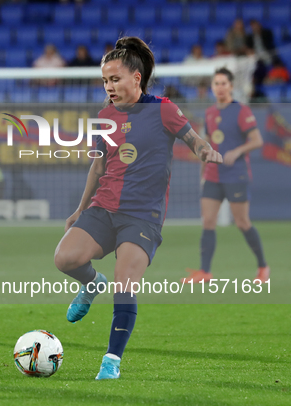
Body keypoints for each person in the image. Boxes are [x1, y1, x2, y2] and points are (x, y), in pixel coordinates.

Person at [53, 37, 223, 380]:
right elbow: (98, 168)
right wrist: (79, 209)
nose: (109, 87)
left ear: (136, 78)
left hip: (142, 215)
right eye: (105, 81)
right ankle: (91, 283)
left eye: (115, 79)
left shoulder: (163, 108)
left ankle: (111, 360)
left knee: (125, 283)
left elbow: (194, 139)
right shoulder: (104, 116)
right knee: (65, 259)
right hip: (104, 207)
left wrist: (206, 151)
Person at [181, 68, 269, 284]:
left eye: (223, 83)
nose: (219, 87)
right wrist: (203, 169)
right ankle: (205, 272)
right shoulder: (210, 113)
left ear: (231, 86)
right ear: (212, 87)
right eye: (216, 83)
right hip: (213, 175)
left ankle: (263, 267)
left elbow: (257, 140)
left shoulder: (240, 111)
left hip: (235, 175)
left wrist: (237, 151)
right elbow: (208, 141)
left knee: (242, 222)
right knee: (208, 221)